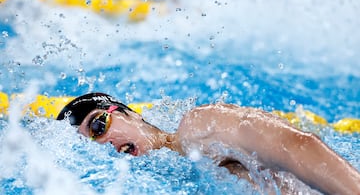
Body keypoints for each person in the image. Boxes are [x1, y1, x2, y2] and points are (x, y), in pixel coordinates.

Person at [57, 92, 360, 195]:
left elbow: (295, 146)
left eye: (99, 125)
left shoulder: (198, 128)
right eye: (92, 145)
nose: (105, 142)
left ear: (131, 114)